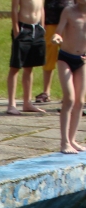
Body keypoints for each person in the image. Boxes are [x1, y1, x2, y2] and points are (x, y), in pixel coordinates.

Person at [52, 0, 86, 153]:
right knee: (70, 98)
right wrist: (56, 37)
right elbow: (58, 31)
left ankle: (72, 139)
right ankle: (64, 142)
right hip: (65, 58)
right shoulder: (69, 11)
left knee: (80, 101)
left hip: (81, 61)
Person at [6, 0, 47, 115]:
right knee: (15, 67)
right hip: (23, 28)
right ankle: (11, 104)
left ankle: (27, 102)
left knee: (29, 67)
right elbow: (14, 9)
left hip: (37, 28)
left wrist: (42, 27)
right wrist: (16, 30)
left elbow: (41, 8)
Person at [36, 0, 73, 102]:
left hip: (69, 22)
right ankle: (46, 92)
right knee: (49, 57)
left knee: (69, 56)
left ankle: (69, 94)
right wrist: (42, 22)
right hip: (50, 20)